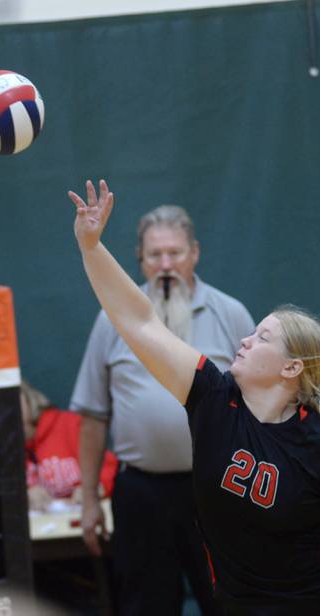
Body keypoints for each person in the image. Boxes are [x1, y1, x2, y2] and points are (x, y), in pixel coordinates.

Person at [68, 179, 320, 615]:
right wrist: (91, 247)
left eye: (262, 337)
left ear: (291, 367)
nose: (244, 339)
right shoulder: (212, 398)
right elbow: (141, 321)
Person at [71, 197, 253, 615]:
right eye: (155, 255)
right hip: (141, 494)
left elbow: (260, 407)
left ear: (195, 254)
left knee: (231, 602)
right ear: (139, 260)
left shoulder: (231, 314)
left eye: (175, 253)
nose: (166, 263)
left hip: (219, 489)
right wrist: (87, 500)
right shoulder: (112, 319)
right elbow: (93, 417)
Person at [20, 380, 117, 511]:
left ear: (28, 399)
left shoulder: (69, 425)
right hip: (41, 526)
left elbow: (109, 468)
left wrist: (94, 488)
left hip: (83, 518)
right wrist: (25, 495)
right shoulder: (1, 450)